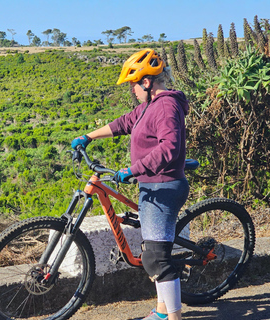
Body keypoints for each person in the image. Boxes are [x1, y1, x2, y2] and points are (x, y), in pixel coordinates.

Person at [71, 49, 189, 320]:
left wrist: (133, 170)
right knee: (153, 252)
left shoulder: (166, 105)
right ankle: (161, 313)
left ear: (147, 82)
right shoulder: (149, 105)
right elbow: (124, 123)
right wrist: (88, 136)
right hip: (152, 186)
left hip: (163, 187)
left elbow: (169, 148)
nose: (132, 91)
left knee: (156, 259)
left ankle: (174, 318)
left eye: (134, 85)